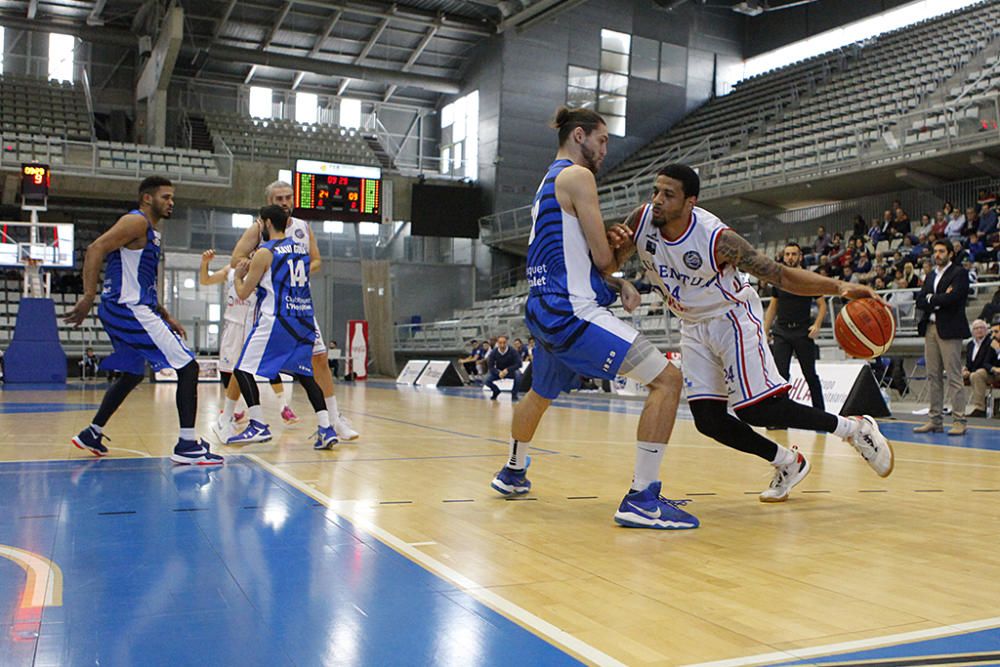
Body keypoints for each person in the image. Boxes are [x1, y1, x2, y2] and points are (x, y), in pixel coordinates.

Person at [608, 164, 893, 503]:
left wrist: (842, 287)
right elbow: (613, 260)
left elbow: (782, 276)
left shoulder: (718, 239)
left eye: (668, 195)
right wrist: (618, 258)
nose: (657, 200)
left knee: (757, 410)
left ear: (690, 202)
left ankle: (855, 429)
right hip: (692, 324)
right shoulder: (642, 219)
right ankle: (788, 461)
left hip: (731, 317)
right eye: (656, 191)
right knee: (709, 421)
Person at [489, 106, 697, 530]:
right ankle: (642, 498)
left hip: (545, 306)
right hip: (572, 312)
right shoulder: (578, 177)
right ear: (580, 135)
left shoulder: (547, 182)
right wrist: (617, 251)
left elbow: (579, 259)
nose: (605, 149)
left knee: (539, 394)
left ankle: (512, 471)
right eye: (602, 140)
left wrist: (615, 279)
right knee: (668, 381)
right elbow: (601, 256)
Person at [64, 176, 223, 465]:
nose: (171, 202)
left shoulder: (150, 231)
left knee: (133, 373)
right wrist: (88, 295)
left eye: (172, 197)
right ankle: (188, 444)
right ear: (147, 198)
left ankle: (92, 432)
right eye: (165, 197)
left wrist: (164, 314)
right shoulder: (136, 222)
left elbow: (141, 280)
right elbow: (95, 249)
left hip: (128, 307)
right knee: (188, 367)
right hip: (128, 308)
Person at [231, 180, 358, 442]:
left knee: (318, 360)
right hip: (274, 307)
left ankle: (333, 420)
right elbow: (236, 259)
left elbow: (317, 260)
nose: (285, 202)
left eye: (288, 197)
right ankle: (230, 413)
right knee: (248, 364)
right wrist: (262, 266)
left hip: (299, 304)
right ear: (269, 203)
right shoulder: (260, 228)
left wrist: (291, 271)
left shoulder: (302, 227)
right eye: (279, 199)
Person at [200, 248, 296, 442]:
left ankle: (282, 406)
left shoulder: (262, 271)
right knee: (229, 371)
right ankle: (235, 410)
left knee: (262, 369)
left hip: (253, 324)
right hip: (232, 326)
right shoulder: (229, 270)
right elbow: (205, 280)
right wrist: (204, 263)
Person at [914, 240, 971, 435]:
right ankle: (935, 420)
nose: (937, 254)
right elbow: (920, 300)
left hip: (950, 329)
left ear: (950, 254)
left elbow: (954, 298)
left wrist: (932, 298)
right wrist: (936, 299)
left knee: (954, 376)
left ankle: (959, 420)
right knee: (933, 376)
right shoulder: (930, 275)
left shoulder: (959, 273)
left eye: (941, 251)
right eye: (935, 251)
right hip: (930, 328)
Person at [763, 242, 827, 411]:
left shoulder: (808, 278)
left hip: (802, 332)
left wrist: (817, 325)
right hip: (781, 332)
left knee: (810, 375)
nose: (790, 257)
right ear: (783, 257)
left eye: (793, 254)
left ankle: (820, 413)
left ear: (800, 257)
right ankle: (781, 414)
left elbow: (822, 304)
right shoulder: (778, 279)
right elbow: (773, 307)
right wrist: (764, 330)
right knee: (780, 375)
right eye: (787, 254)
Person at [964, 319, 998, 418]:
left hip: (991, 372)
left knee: (977, 374)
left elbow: (985, 363)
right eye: (976, 328)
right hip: (977, 371)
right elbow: (969, 363)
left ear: (987, 330)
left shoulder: (991, 342)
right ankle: (957, 408)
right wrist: (966, 370)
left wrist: (970, 371)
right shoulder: (970, 345)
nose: (979, 330)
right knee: (956, 374)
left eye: (981, 328)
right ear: (973, 331)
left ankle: (980, 408)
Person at [484, 335, 523, 401]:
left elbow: (519, 364)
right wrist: (498, 372)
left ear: (507, 342)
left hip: (511, 371)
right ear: (497, 343)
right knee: (486, 380)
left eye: (504, 342)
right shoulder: (494, 352)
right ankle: (496, 391)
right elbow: (490, 366)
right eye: (500, 343)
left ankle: (514, 394)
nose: (502, 345)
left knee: (518, 375)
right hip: (499, 372)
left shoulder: (512, 351)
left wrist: (507, 370)